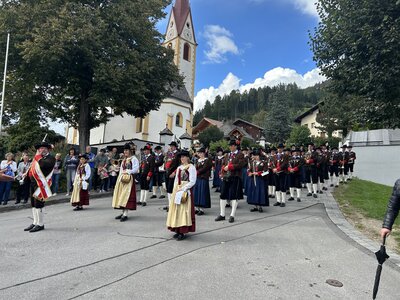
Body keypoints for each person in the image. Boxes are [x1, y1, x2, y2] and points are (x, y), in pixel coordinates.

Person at [24, 142, 56, 233]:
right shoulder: (37, 159)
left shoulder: (51, 158)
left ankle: (40, 224)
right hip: (33, 183)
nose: (42, 150)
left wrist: (37, 157)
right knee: (33, 204)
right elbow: (32, 170)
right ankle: (35, 222)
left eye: (44, 148)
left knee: (39, 204)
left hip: (42, 184)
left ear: (48, 149)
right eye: (40, 148)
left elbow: (44, 165)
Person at [166, 150, 197, 241]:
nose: (182, 158)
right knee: (177, 210)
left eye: (184, 157)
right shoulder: (179, 168)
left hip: (185, 191)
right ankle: (177, 230)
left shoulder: (191, 167)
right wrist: (175, 190)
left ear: (187, 157)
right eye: (181, 157)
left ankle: (182, 231)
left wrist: (184, 188)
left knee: (184, 210)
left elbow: (192, 181)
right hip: (178, 190)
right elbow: (176, 180)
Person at [215, 139, 247, 223]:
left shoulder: (240, 155)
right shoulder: (227, 155)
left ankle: (232, 215)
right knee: (223, 195)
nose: (230, 147)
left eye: (232, 145)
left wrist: (230, 167)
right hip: (226, 177)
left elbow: (241, 165)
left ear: (235, 146)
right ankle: (222, 214)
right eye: (230, 145)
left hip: (235, 177)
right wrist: (222, 171)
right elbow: (223, 164)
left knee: (234, 196)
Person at [112, 143, 140, 222]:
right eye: (124, 150)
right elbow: (121, 169)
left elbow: (136, 169)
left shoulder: (134, 159)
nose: (125, 152)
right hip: (122, 179)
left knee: (126, 196)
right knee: (121, 195)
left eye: (127, 150)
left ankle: (125, 214)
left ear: (130, 151)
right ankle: (123, 212)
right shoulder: (124, 160)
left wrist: (128, 171)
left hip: (129, 180)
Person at [193, 147, 212, 215]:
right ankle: (197, 208)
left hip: (204, 178)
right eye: (199, 153)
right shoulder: (198, 160)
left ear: (204, 153)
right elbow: (195, 168)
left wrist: (197, 172)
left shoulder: (207, 160)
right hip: (198, 178)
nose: (200, 154)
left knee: (202, 193)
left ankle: (202, 209)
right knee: (197, 193)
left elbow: (205, 168)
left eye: (201, 153)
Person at [164, 141, 180, 211]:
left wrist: (174, 172)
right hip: (167, 172)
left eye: (172, 146)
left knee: (172, 189)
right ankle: (170, 204)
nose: (171, 147)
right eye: (170, 146)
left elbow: (179, 165)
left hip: (173, 174)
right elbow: (166, 162)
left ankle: (172, 205)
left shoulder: (178, 154)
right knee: (168, 189)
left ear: (175, 147)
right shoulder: (169, 154)